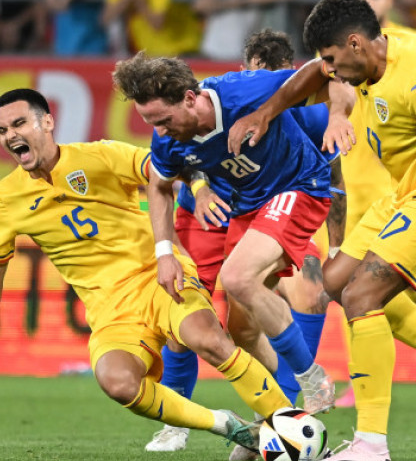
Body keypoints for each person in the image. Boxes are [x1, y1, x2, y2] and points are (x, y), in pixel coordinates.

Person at [227, 0, 416, 461]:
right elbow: (310, 75)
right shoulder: (362, 58)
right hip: (403, 192)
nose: (330, 70)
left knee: (361, 298)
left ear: (354, 43)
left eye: (333, 59)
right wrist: (265, 113)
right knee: (332, 284)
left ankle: (371, 444)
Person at [0, 88, 293, 455]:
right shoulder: (6, 201)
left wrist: (200, 190)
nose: (10, 135)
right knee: (117, 382)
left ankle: (291, 428)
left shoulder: (100, 156)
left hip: (159, 276)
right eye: (2, 131)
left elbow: (171, 167)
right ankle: (226, 424)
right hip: (111, 311)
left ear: (47, 121)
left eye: (18, 123)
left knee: (207, 339)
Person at [112, 52, 337, 425]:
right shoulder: (167, 139)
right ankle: (279, 417)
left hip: (298, 188)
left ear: (189, 98)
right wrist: (164, 252)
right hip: (246, 211)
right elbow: (159, 184)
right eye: (151, 123)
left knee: (237, 276)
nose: (161, 132)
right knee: (242, 331)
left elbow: (321, 69)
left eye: (164, 121)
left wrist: (265, 113)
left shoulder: (243, 90)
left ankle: (312, 379)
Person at [333, 0, 416, 409]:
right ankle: (355, 376)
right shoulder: (337, 53)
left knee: (413, 284)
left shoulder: (405, 46)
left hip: (394, 184)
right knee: (346, 283)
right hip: (354, 182)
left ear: (391, 1)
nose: (369, 0)